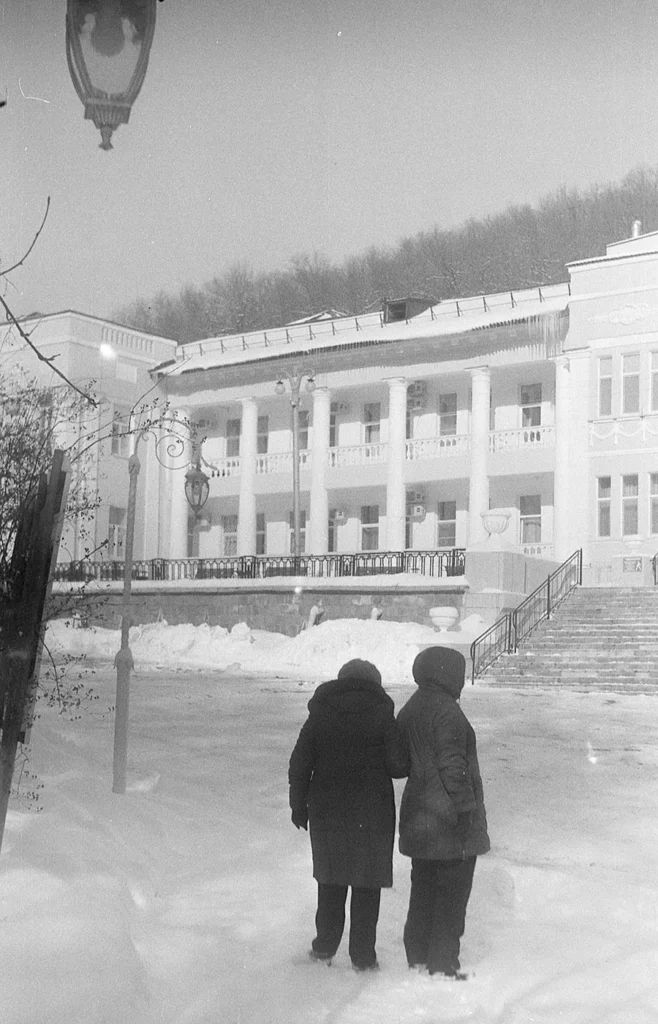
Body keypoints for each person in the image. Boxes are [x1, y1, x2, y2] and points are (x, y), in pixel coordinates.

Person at [288, 658, 408, 971]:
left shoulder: (320, 714)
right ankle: (363, 958)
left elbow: (300, 763)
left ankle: (324, 948)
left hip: (327, 810)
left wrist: (298, 806)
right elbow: (398, 767)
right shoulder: (383, 714)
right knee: (367, 885)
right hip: (372, 812)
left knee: (330, 880)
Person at [396, 646, 490, 979]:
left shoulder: (412, 706)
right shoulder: (448, 711)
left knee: (423, 889)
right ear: (449, 674)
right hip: (450, 823)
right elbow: (453, 766)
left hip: (420, 817)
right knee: (451, 897)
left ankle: (418, 956)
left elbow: (396, 763)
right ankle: (443, 964)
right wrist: (467, 809)